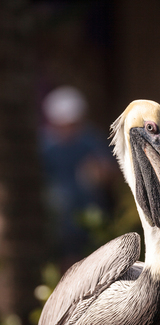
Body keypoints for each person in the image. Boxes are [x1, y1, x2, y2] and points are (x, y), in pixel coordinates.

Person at [40, 86, 117, 270]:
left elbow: (109, 171)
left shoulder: (89, 140)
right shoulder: (44, 145)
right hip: (55, 222)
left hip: (90, 218)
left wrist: (100, 172)